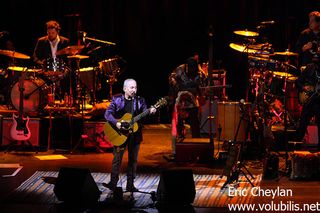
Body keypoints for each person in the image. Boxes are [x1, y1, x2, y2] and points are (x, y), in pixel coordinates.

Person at [104, 79, 156, 191]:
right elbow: (107, 113)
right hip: (120, 134)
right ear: (125, 89)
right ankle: (113, 183)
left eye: (135, 87)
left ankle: (130, 185)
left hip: (135, 135)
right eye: (131, 88)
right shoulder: (117, 100)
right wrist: (117, 123)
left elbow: (144, 114)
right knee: (117, 159)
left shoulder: (140, 100)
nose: (134, 90)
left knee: (133, 160)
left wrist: (150, 112)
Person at [168, 54, 202, 160]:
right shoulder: (180, 69)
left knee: (195, 124)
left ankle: (197, 148)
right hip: (180, 99)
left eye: (194, 67)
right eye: (190, 67)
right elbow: (171, 78)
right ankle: (177, 148)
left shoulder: (200, 74)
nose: (192, 70)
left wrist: (193, 89)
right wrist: (177, 86)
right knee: (178, 124)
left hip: (192, 100)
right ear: (187, 66)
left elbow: (201, 90)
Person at [33, 20, 70, 102]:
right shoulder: (41, 41)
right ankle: (45, 101)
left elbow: (69, 57)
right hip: (46, 71)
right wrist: (42, 64)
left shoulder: (65, 41)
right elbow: (35, 57)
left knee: (69, 77)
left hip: (60, 70)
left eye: (52, 33)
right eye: (48, 33)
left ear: (57, 32)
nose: (50, 35)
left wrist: (64, 70)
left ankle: (65, 102)